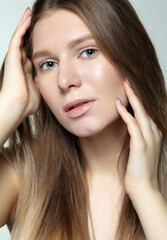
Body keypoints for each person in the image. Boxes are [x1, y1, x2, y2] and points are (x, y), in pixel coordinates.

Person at [0, 0, 167, 239]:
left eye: (88, 52)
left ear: (131, 56)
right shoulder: (24, 173)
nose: (64, 80)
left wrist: (146, 192)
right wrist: (9, 105)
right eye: (48, 64)